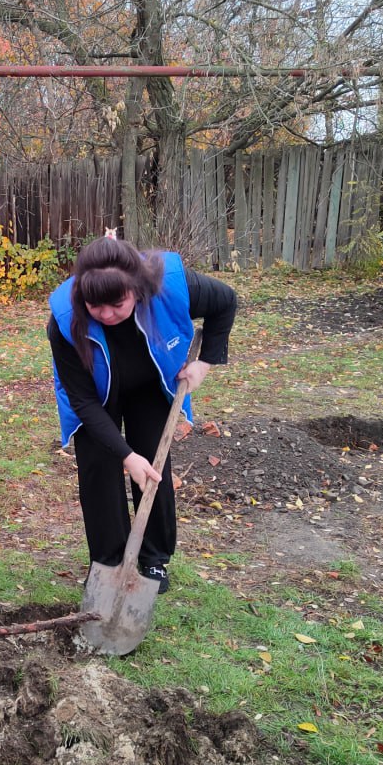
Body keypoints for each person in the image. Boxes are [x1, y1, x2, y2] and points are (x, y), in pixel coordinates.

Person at [47, 234, 237, 594]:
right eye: (95, 306)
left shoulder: (170, 286)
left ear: (136, 287)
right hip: (96, 396)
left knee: (152, 466)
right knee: (98, 471)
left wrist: (205, 363)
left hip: (149, 386)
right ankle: (108, 562)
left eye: (117, 304)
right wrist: (124, 455)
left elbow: (225, 302)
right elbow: (84, 403)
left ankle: (153, 558)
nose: (106, 315)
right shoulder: (64, 319)